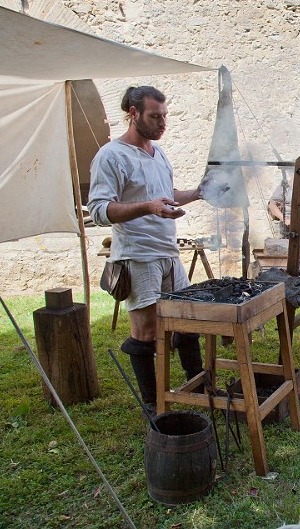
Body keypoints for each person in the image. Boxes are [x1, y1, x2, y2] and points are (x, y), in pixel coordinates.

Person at [87, 86, 205, 412]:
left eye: (165, 116)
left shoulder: (159, 154)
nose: (162, 123)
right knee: (146, 330)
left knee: (187, 319)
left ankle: (199, 386)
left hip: (168, 252)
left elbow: (166, 195)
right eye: (155, 116)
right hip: (137, 255)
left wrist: (197, 193)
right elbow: (99, 210)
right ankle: (154, 405)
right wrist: (148, 208)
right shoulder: (111, 156)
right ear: (134, 114)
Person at [268, 177, 300, 249]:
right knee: (291, 252)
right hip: (290, 228)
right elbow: (272, 205)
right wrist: (285, 220)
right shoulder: (283, 188)